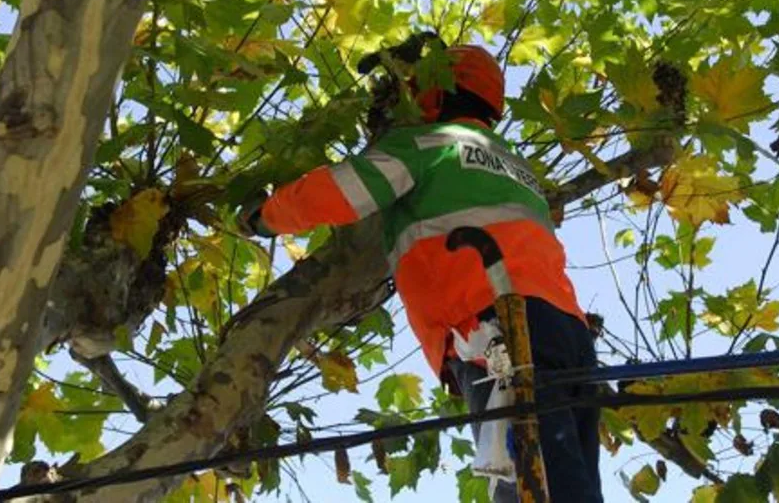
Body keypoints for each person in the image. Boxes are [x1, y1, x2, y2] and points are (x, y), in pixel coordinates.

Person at [237, 42, 602, 502]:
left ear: (434, 91)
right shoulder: (517, 168)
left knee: (533, 486)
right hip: (569, 337)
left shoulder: (429, 146)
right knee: (570, 486)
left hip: (499, 327)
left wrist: (263, 217)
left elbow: (339, 191)